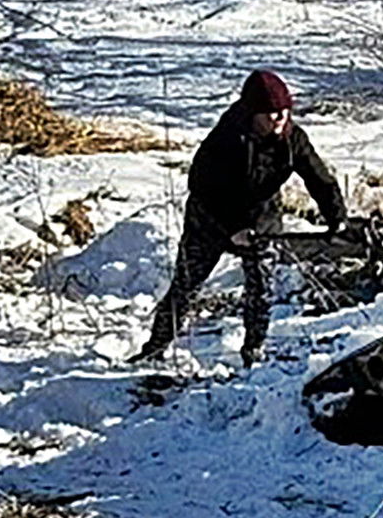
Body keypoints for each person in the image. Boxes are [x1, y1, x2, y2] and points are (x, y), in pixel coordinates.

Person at [137, 68, 345, 367]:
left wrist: (335, 215)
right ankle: (154, 349)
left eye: (284, 112)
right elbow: (201, 186)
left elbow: (318, 177)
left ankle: (253, 352)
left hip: (262, 219)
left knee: (261, 290)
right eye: (270, 113)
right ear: (252, 113)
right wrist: (232, 228)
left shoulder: (293, 139)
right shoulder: (225, 139)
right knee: (186, 286)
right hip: (211, 219)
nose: (279, 119)